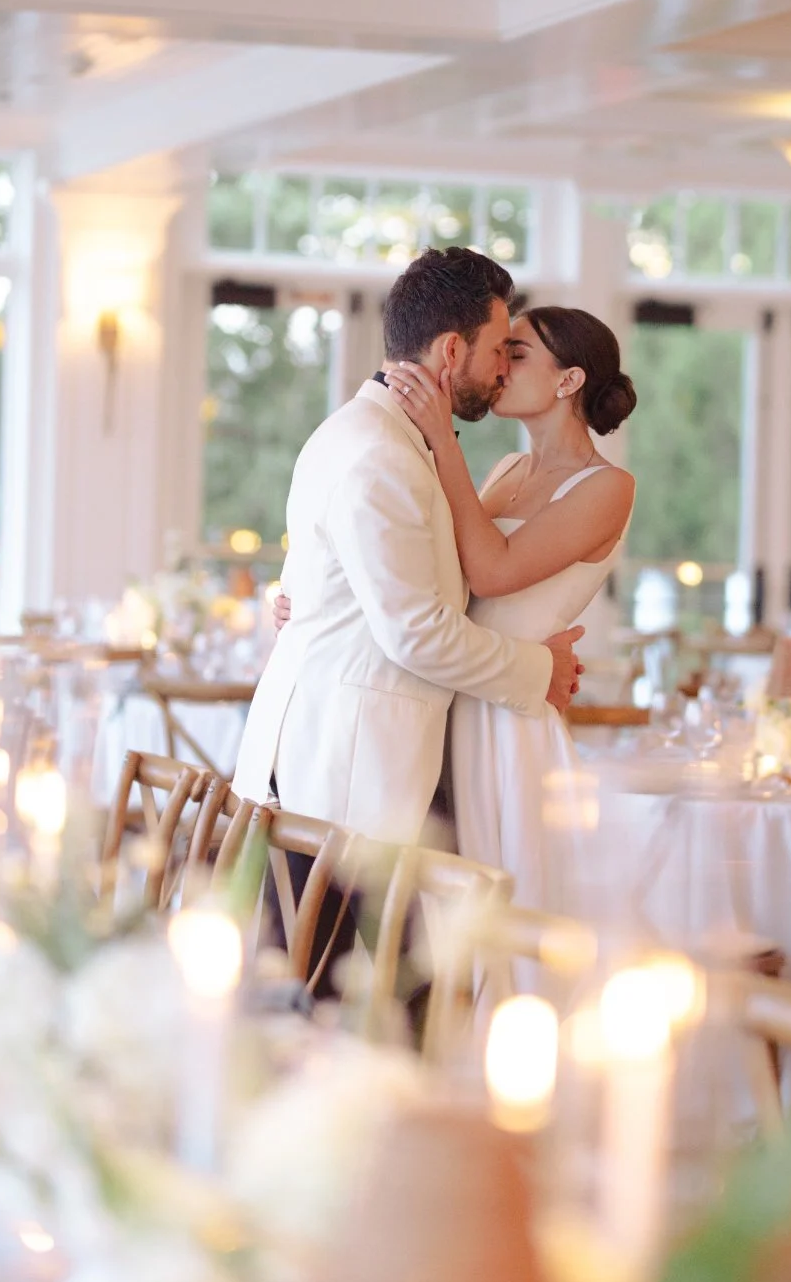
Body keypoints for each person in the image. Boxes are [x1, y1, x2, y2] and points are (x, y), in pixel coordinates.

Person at [232, 247, 584, 847]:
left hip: (340, 767)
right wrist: (539, 670)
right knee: (341, 944)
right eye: (500, 348)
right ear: (452, 350)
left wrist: (301, 606)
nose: (504, 368)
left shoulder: (371, 434)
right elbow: (415, 632)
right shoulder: (382, 455)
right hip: (348, 782)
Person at [383, 305, 636, 911]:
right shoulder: (509, 468)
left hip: (509, 725)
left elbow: (493, 572)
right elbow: (440, 564)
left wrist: (442, 437)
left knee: (503, 915)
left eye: (516, 354)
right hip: (457, 689)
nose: (499, 367)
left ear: (568, 380)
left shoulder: (608, 486)